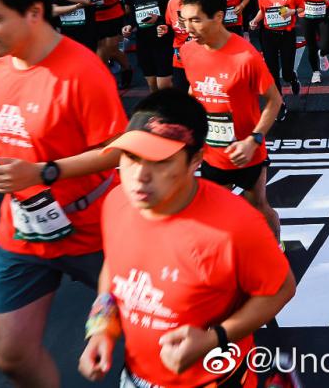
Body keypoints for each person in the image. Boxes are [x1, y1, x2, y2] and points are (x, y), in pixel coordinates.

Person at [0, 0, 127, 388]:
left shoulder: (83, 72)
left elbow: (119, 152)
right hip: (24, 230)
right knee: (13, 358)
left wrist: (43, 171)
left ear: (34, 12)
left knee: (159, 337)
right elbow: (6, 123)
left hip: (96, 229)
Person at [78, 90, 295, 386]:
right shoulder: (116, 202)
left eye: (160, 161)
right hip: (135, 378)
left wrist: (213, 338)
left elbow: (281, 289)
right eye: (131, 156)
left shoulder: (236, 225)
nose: (139, 175)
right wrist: (101, 328)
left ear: (195, 161)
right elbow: (114, 267)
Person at [177, 0, 284, 240]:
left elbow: (274, 101)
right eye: (184, 20)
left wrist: (254, 140)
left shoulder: (246, 57)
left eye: (196, 20)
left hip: (247, 153)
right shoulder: (188, 51)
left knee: (257, 206)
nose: (188, 28)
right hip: (212, 152)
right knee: (216, 211)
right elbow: (196, 88)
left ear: (218, 16)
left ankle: (274, 248)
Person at [250, 0, 304, 114]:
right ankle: (279, 104)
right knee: (272, 72)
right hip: (268, 34)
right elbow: (263, 10)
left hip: (287, 34)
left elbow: (302, 8)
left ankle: (292, 78)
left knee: (286, 72)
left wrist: (291, 12)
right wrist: (254, 21)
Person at [125, 0, 177, 93]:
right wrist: (129, 26)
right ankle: (158, 110)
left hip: (163, 41)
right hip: (143, 41)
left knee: (164, 84)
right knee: (152, 83)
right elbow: (133, 15)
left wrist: (161, 21)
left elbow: (173, 13)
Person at [81, 0, 131, 88]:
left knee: (110, 48)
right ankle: (107, 78)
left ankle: (123, 71)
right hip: (93, 15)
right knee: (101, 49)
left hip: (112, 13)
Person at [164, 0, 203, 93]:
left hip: (202, 58)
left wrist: (190, 26)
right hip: (180, 60)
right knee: (181, 97)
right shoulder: (172, 3)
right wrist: (163, 29)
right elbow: (169, 26)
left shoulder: (206, 3)